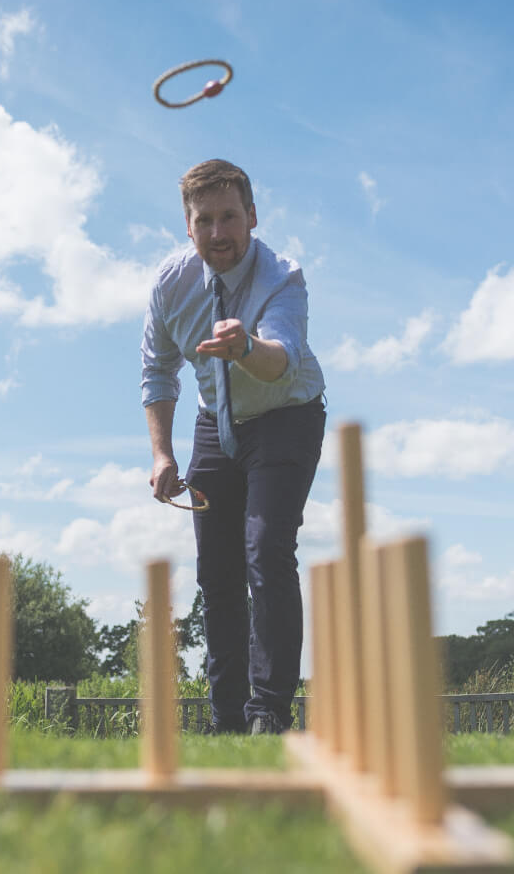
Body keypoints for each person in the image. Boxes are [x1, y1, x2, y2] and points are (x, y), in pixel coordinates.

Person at [141, 159, 326, 735]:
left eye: (229, 218)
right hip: (213, 423)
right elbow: (158, 372)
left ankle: (268, 711)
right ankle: (225, 720)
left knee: (266, 551)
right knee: (216, 575)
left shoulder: (282, 277)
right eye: (205, 221)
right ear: (187, 226)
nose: (218, 233)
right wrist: (163, 454)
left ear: (251, 216)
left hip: (286, 416)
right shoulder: (170, 284)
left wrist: (244, 345)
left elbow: (281, 361)